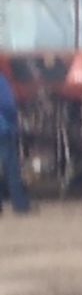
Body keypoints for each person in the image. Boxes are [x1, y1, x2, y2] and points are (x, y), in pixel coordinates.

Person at [0, 68, 33, 216]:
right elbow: (8, 105)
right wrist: (14, 124)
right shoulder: (1, 79)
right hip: (3, 129)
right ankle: (20, 205)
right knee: (11, 168)